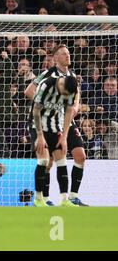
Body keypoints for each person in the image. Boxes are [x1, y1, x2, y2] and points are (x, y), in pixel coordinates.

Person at [25, 44, 88, 206]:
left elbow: (75, 98)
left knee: (80, 155)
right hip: (47, 120)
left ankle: (72, 197)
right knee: (48, 161)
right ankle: (44, 198)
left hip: (65, 121)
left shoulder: (72, 76)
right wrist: (50, 105)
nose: (68, 56)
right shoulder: (48, 75)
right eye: (64, 54)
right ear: (55, 58)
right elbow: (29, 92)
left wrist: (74, 107)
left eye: (68, 53)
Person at [30, 74, 79, 207]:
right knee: (44, 160)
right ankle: (38, 199)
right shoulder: (46, 85)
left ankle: (64, 200)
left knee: (62, 160)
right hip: (38, 126)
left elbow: (69, 111)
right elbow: (35, 111)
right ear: (61, 84)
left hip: (55, 126)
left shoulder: (70, 89)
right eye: (63, 93)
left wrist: (64, 136)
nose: (64, 96)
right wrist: (40, 136)